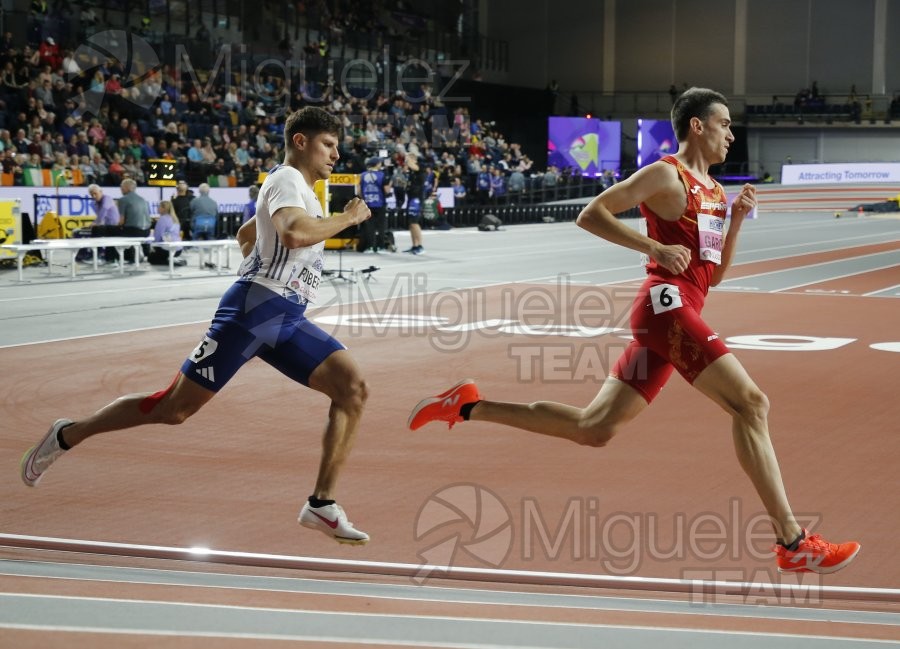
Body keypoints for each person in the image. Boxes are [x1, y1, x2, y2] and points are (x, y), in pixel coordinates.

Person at [408, 88, 861, 575]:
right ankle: (792, 540)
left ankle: (469, 405)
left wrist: (736, 223)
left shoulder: (715, 191)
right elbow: (591, 213)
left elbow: (715, 276)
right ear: (697, 126)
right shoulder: (667, 174)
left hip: (681, 308)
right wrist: (655, 249)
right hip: (663, 306)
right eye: (725, 123)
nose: (732, 133)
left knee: (594, 428)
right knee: (751, 403)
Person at [21, 106, 374, 545]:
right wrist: (348, 218)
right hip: (253, 312)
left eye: (337, 146)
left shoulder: (306, 190)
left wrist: (260, 255)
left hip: (285, 316)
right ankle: (68, 433)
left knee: (352, 389)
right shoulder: (285, 179)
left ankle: (321, 505)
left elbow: (250, 233)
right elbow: (293, 235)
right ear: (300, 141)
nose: (336, 154)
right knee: (173, 409)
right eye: (328, 144)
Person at [358, 157, 390, 253]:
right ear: (377, 164)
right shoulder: (382, 175)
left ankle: (370, 247)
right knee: (381, 226)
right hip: (380, 203)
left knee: (369, 227)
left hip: (368, 204)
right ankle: (381, 247)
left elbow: (359, 191)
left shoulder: (363, 175)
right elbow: (387, 190)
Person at [117, 177, 152, 262]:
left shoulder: (123, 200)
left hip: (134, 231)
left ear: (126, 188)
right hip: (147, 231)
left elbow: (121, 221)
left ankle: (114, 258)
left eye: (121, 187)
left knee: (111, 231)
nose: (120, 189)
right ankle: (142, 252)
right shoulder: (143, 199)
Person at [87, 183, 121, 262]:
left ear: (101, 191)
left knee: (95, 230)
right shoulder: (97, 203)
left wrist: (96, 223)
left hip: (115, 226)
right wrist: (95, 222)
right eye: (92, 195)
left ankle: (96, 255)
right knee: (95, 229)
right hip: (109, 226)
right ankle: (102, 255)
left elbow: (103, 212)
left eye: (95, 194)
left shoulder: (106, 199)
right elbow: (100, 216)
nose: (94, 196)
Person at [147, 200, 186, 266]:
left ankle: (171, 262)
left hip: (168, 249)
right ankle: (173, 259)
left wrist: (153, 247)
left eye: (159, 207)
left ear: (164, 208)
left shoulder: (162, 219)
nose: (158, 208)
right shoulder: (175, 219)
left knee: (151, 258)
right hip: (178, 249)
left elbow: (157, 237)